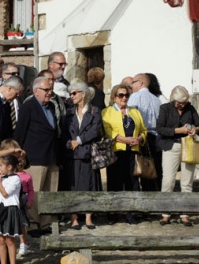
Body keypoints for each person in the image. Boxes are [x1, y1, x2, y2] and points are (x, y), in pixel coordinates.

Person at [15, 76, 59, 237]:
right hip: (35, 157)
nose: (49, 93)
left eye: (50, 89)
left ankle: (46, 223)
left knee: (49, 192)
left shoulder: (51, 107)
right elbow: (20, 131)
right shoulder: (29, 107)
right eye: (46, 90)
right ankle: (33, 224)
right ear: (36, 91)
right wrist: (18, 155)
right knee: (35, 192)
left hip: (51, 156)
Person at [156, 86, 199, 227]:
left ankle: (185, 213)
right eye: (179, 103)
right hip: (170, 146)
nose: (182, 105)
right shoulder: (165, 108)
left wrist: (195, 129)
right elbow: (160, 128)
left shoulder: (190, 108)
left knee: (187, 182)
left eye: (184, 102)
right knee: (168, 181)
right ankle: (165, 213)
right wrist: (179, 130)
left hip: (188, 146)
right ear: (173, 100)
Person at [101, 83, 147, 224]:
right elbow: (108, 131)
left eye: (126, 95)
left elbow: (144, 130)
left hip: (132, 152)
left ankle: (131, 214)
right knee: (115, 183)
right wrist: (124, 139)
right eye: (121, 95)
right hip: (117, 152)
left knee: (132, 184)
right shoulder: (107, 112)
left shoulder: (135, 111)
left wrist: (139, 139)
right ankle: (113, 214)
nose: (124, 98)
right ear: (114, 97)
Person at [63, 82, 102, 230]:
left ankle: (88, 217)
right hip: (72, 155)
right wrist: (69, 143)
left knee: (88, 186)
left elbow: (95, 130)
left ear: (83, 94)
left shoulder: (94, 111)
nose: (71, 96)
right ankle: (74, 218)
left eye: (74, 93)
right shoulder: (69, 112)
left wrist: (78, 141)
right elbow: (64, 131)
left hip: (87, 153)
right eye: (70, 93)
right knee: (73, 186)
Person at [128, 73, 163, 191]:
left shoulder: (135, 97)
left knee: (142, 169)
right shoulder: (157, 99)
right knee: (154, 169)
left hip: (141, 138)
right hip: (157, 138)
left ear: (141, 83)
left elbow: (130, 118)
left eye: (133, 82)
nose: (131, 86)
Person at [0, 153, 24, 264]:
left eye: (1, 165)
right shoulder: (1, 179)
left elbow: (5, 193)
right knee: (1, 239)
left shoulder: (15, 179)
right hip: (0, 210)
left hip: (10, 209)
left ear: (9, 167)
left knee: (10, 240)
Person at [15, 154, 34, 256]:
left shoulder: (27, 177)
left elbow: (31, 190)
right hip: (13, 199)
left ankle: (23, 243)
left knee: (23, 223)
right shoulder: (11, 175)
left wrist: (30, 200)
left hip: (22, 199)